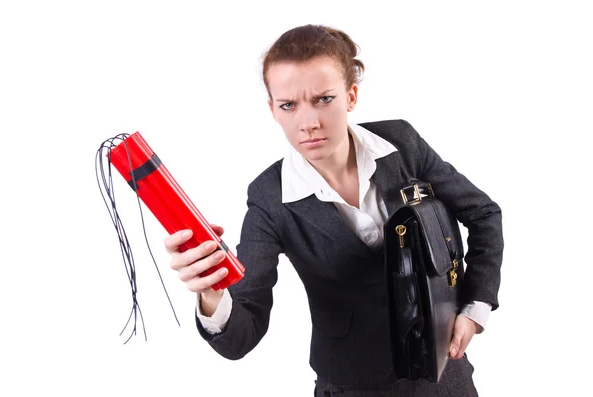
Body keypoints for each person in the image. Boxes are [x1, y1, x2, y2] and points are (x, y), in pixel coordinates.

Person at [164, 24, 503, 396]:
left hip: (444, 376)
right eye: (289, 105)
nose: (308, 123)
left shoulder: (402, 144)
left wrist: (475, 308)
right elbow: (241, 337)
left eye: (324, 99)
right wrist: (212, 292)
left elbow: (484, 214)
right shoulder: (269, 197)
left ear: (351, 95)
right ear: (273, 110)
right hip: (352, 386)